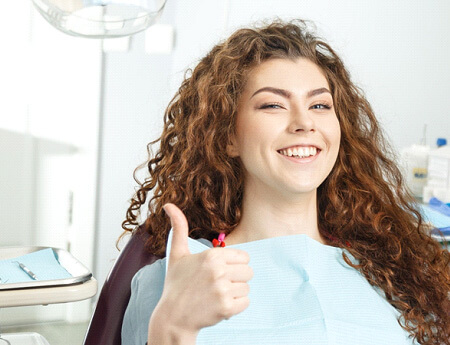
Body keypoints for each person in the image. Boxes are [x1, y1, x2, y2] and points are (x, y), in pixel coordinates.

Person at [120, 19, 450, 345]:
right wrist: (173, 327)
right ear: (227, 137)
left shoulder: (397, 275)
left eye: (320, 104)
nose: (305, 122)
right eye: (273, 105)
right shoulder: (176, 279)